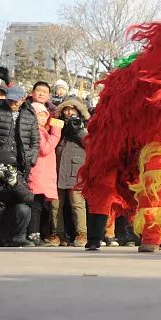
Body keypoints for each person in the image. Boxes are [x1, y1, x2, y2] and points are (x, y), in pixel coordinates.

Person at [49, 98, 89, 247]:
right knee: (55, 203)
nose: (69, 112)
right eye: (66, 109)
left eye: (72, 109)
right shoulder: (57, 122)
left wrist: (77, 131)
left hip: (76, 168)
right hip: (56, 167)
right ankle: (57, 234)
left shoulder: (85, 124)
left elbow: (90, 143)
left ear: (78, 110)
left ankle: (82, 234)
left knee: (77, 203)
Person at [27, 102, 62, 246]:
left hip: (43, 174)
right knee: (36, 206)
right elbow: (45, 149)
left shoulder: (42, 130)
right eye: (39, 115)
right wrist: (56, 131)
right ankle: (33, 234)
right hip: (37, 174)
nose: (42, 118)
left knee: (40, 205)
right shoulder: (37, 131)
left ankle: (37, 234)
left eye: (44, 115)